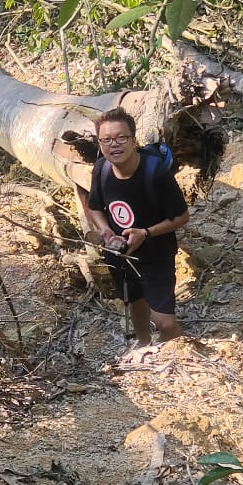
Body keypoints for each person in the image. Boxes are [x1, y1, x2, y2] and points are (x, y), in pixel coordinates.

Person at [85, 107, 189, 346]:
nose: (114, 145)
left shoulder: (155, 173)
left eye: (121, 138)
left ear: (134, 140)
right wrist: (105, 230)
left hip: (156, 254)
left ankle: (176, 356)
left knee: (166, 323)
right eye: (107, 140)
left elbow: (182, 217)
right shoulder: (101, 169)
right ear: (100, 144)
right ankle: (143, 343)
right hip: (120, 253)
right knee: (134, 299)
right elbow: (95, 207)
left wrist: (146, 233)